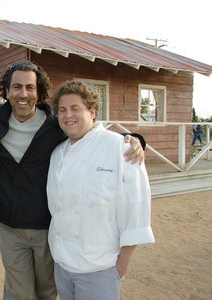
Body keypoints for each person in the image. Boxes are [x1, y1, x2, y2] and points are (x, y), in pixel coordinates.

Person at [0, 61, 145, 300]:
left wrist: (132, 138)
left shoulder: (54, 125)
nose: (23, 94)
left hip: (46, 227)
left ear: (39, 91)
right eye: (16, 87)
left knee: (47, 291)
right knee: (18, 292)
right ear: (7, 89)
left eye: (29, 87)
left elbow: (89, 131)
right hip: (9, 224)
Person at [47, 80, 155, 299]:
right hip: (62, 265)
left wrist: (120, 266)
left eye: (75, 108)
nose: (68, 115)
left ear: (92, 112)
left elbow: (137, 208)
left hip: (100, 268)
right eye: (62, 110)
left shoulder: (121, 147)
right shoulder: (57, 153)